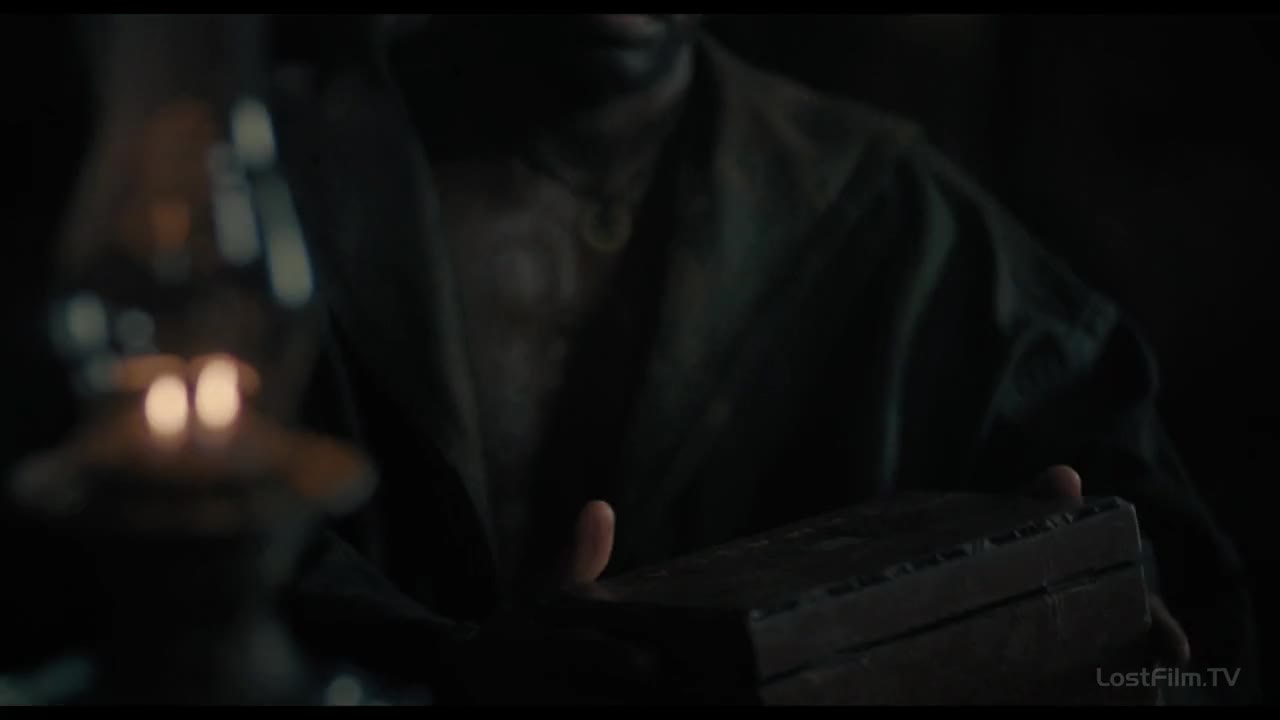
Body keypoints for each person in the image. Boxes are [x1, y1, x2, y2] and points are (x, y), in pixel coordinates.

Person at [0, 14, 1257, 704]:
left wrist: (1107, 657)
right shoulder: (232, 186)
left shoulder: (910, 236)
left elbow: (1198, 641)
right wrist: (435, 672)